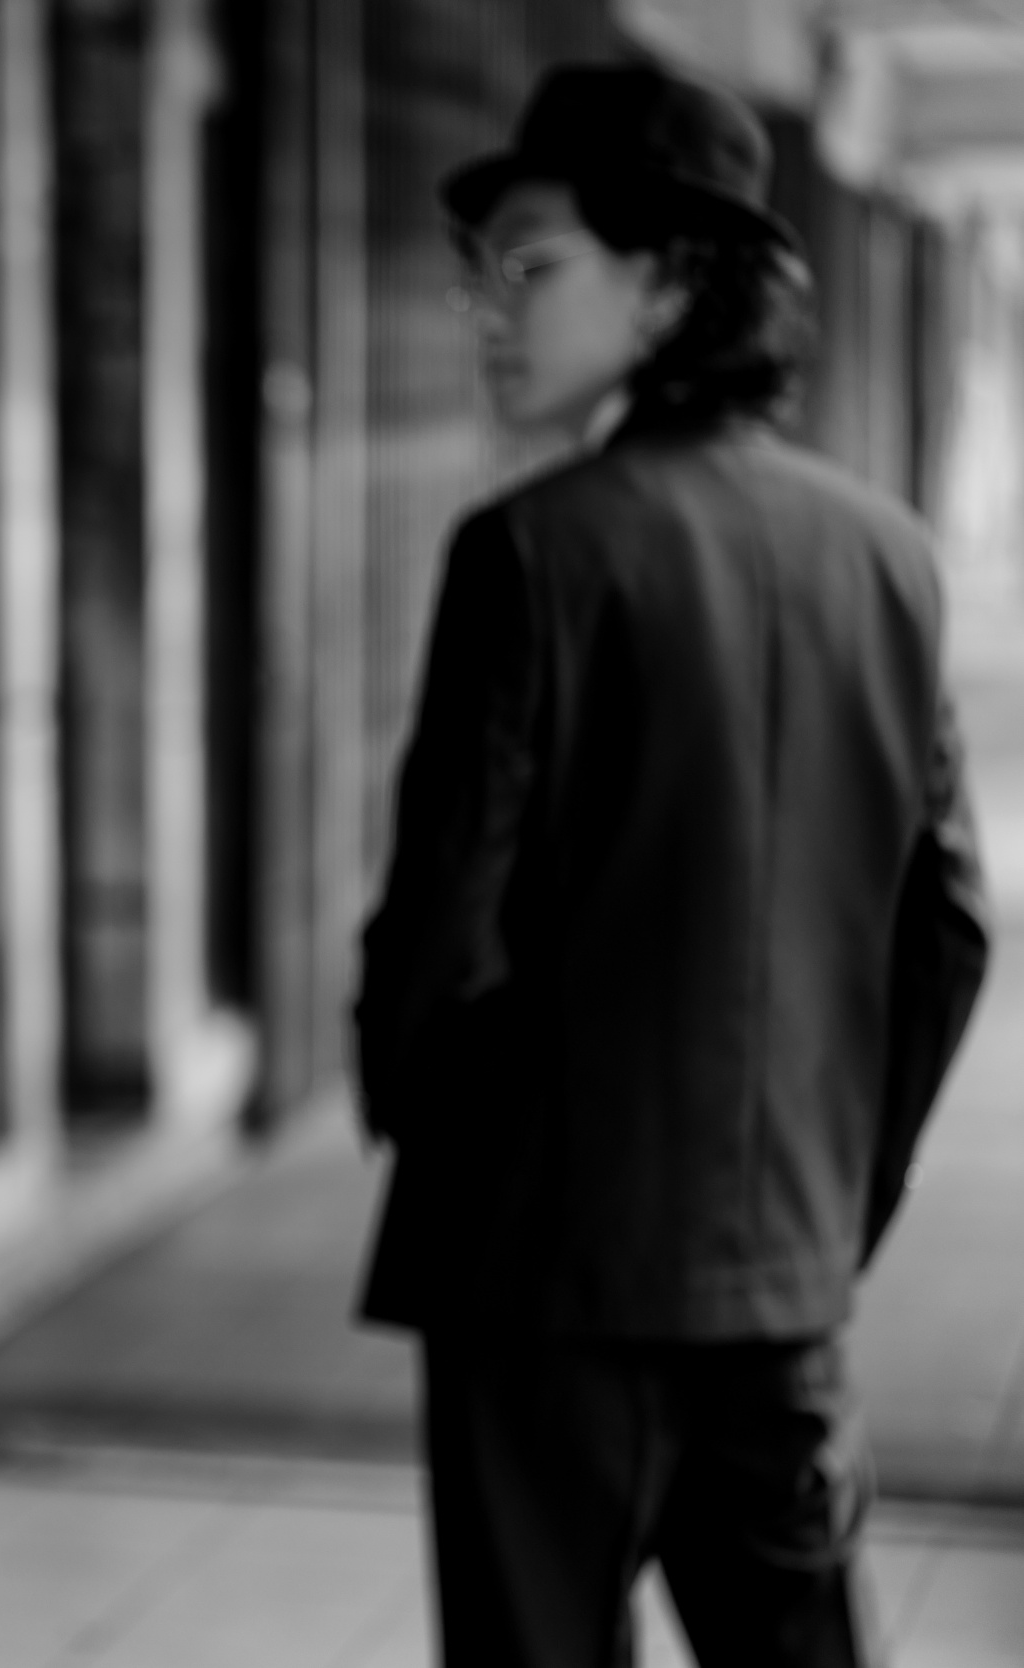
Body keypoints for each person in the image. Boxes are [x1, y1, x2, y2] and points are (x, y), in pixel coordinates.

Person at [355, 62, 990, 1667]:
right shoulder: (889, 556)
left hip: (537, 1286)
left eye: (533, 265)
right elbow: (948, 930)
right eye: (479, 272)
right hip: (779, 1287)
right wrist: (827, 1206)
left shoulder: (529, 548)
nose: (487, 312)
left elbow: (442, 924)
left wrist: (417, 1101)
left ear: (674, 283)